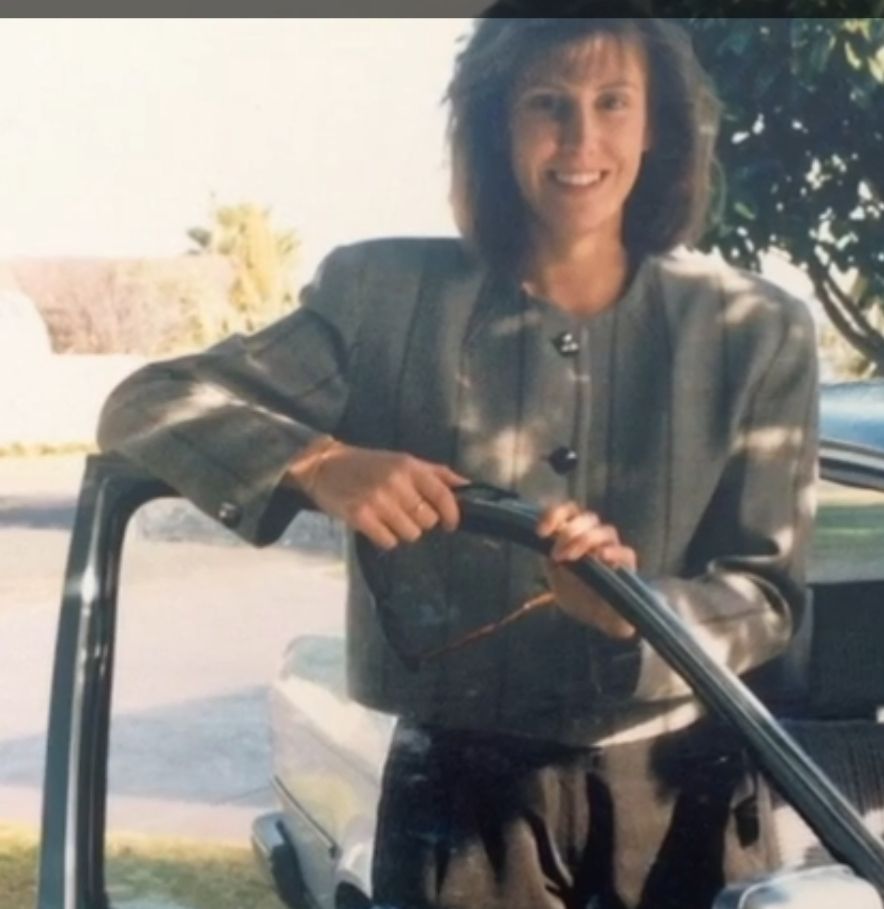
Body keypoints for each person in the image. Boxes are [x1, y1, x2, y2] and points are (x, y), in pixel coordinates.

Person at [98, 12, 819, 909]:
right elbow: (147, 403)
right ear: (494, 124)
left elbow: (767, 593)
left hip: (688, 799)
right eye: (546, 103)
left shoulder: (757, 330)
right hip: (459, 805)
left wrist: (636, 614)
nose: (581, 139)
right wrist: (318, 460)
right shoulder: (380, 299)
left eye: (613, 102)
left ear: (656, 126)